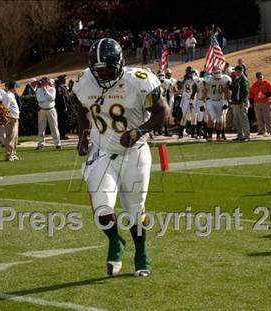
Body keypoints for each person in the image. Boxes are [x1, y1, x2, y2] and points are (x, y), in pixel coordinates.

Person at [73, 38, 169, 277]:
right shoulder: (85, 81)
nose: (103, 74)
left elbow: (162, 111)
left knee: (135, 210)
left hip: (135, 152)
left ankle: (141, 250)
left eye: (107, 68)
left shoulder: (138, 81)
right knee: (102, 208)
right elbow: (83, 110)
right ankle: (115, 240)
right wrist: (83, 136)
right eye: (99, 70)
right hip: (102, 151)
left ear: (119, 63)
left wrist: (139, 131)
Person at [201, 65, 232, 141]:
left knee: (219, 120)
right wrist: (202, 103)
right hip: (210, 100)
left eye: (218, 72)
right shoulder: (208, 79)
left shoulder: (224, 79)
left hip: (220, 100)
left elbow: (226, 92)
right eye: (216, 73)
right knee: (211, 118)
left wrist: (226, 102)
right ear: (212, 73)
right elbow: (205, 92)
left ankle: (218, 136)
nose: (217, 75)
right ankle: (210, 136)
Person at [36, 77, 61, 150]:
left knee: (54, 127)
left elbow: (52, 98)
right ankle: (41, 144)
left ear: (47, 82)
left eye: (44, 82)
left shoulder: (52, 89)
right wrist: (46, 96)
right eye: (42, 82)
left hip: (51, 110)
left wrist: (46, 91)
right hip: (42, 110)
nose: (42, 84)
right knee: (41, 128)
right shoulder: (39, 90)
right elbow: (39, 100)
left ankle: (57, 144)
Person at [177, 66, 197, 138]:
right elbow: (179, 87)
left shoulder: (194, 79)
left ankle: (192, 133)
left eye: (192, 72)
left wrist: (193, 95)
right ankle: (181, 133)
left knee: (194, 116)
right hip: (185, 99)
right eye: (190, 72)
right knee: (184, 116)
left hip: (193, 99)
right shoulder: (182, 79)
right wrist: (185, 79)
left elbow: (196, 88)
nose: (191, 74)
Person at [231, 65, 250, 141]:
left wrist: (243, 102)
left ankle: (246, 136)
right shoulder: (236, 79)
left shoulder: (243, 80)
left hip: (241, 102)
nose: (234, 72)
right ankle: (240, 135)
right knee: (237, 120)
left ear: (238, 71)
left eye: (235, 71)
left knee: (243, 119)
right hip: (236, 102)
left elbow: (245, 92)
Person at [2, 81, 20, 161]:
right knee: (10, 137)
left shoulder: (12, 95)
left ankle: (13, 154)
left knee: (15, 138)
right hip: (11, 119)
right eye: (16, 87)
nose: (17, 88)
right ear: (13, 87)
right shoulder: (7, 96)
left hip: (15, 119)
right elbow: (5, 108)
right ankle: (9, 155)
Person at [55, 75, 69, 139]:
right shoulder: (59, 87)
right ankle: (61, 135)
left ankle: (63, 134)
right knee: (61, 121)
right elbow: (61, 98)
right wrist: (64, 106)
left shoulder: (63, 87)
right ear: (61, 80)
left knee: (64, 121)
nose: (65, 80)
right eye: (64, 79)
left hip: (64, 106)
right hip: (61, 107)